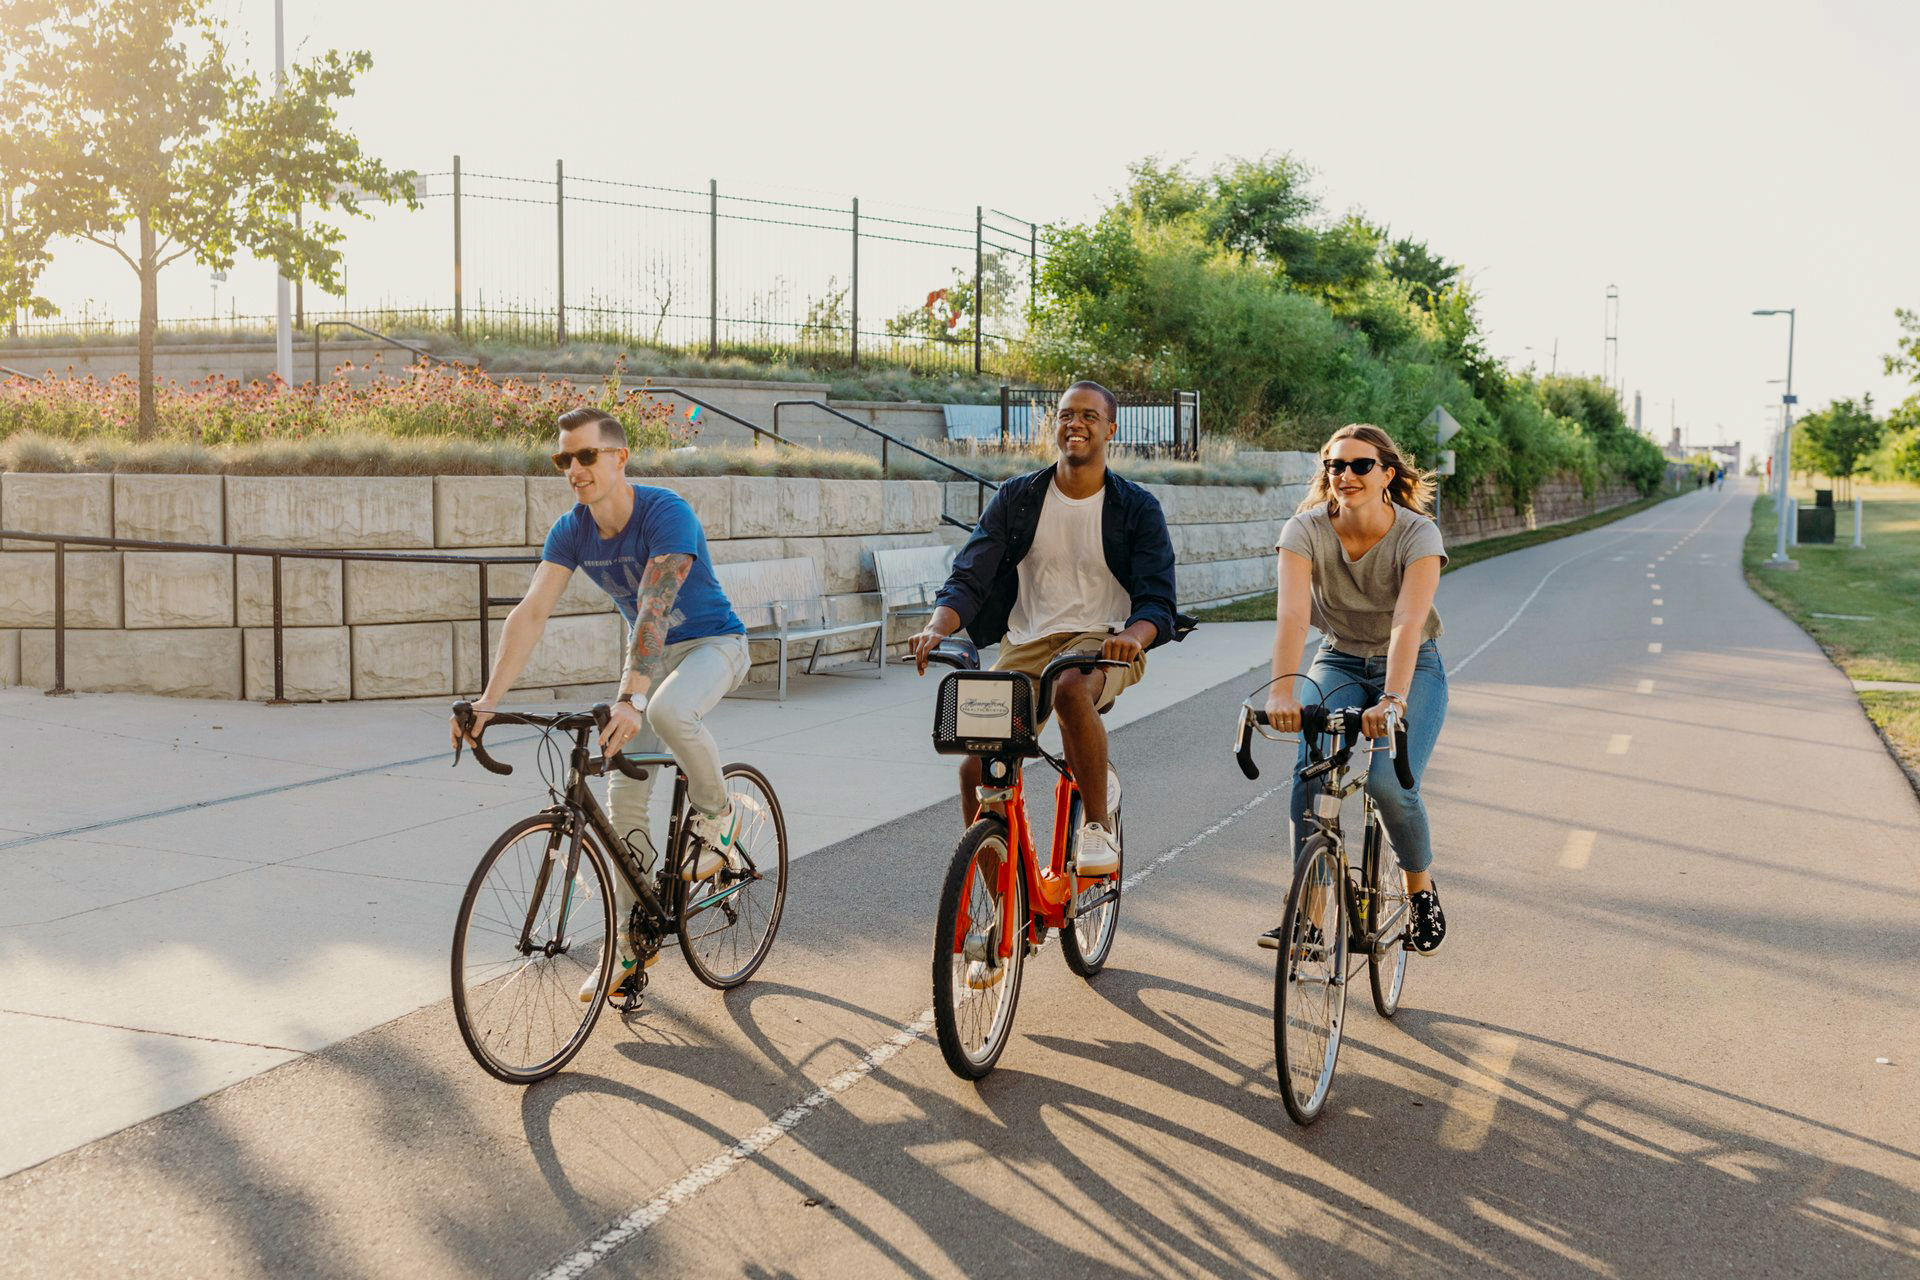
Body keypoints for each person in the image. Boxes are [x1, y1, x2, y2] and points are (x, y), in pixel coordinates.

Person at [451, 406, 750, 1004]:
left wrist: (633, 696)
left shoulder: (667, 512)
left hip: (714, 644)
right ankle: (633, 945)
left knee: (668, 712)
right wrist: (487, 703)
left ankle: (720, 819)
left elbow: (654, 608)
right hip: (650, 661)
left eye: (586, 455)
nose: (574, 469)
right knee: (621, 799)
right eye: (564, 458)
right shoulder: (572, 531)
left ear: (619, 457)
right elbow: (531, 612)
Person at [909, 382, 1191, 980]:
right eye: (1066, 416)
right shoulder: (1018, 498)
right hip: (1027, 644)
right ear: (1054, 427)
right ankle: (1004, 907)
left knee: (1069, 693)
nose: (1076, 425)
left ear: (1111, 430)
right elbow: (971, 574)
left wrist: (1131, 640)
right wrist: (938, 627)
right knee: (973, 762)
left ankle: (1094, 827)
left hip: (1107, 641)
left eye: (1089, 416)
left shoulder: (1136, 507)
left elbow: (1158, 599)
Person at [1264, 424, 1450, 956]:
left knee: (1388, 785)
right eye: (1335, 466)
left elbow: (1407, 625)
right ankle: (1312, 919)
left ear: (1387, 474)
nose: (1345, 475)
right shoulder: (1305, 530)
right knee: (1312, 771)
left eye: (1359, 465)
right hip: (1339, 656)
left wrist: (1392, 699)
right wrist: (1282, 693)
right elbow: (1294, 617)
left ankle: (1419, 889)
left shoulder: (1418, 534)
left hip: (1415, 667)